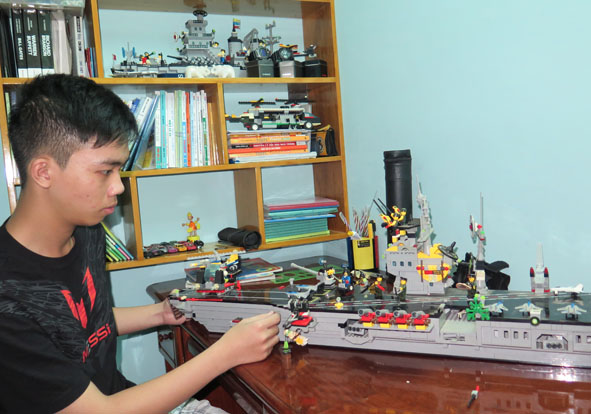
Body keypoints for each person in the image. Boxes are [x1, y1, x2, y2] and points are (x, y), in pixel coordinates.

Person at [0, 74, 280, 414]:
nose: (119, 187)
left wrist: (159, 313)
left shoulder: (87, 231)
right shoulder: (7, 298)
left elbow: (80, 325)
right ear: (43, 172)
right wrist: (226, 353)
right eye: (105, 171)